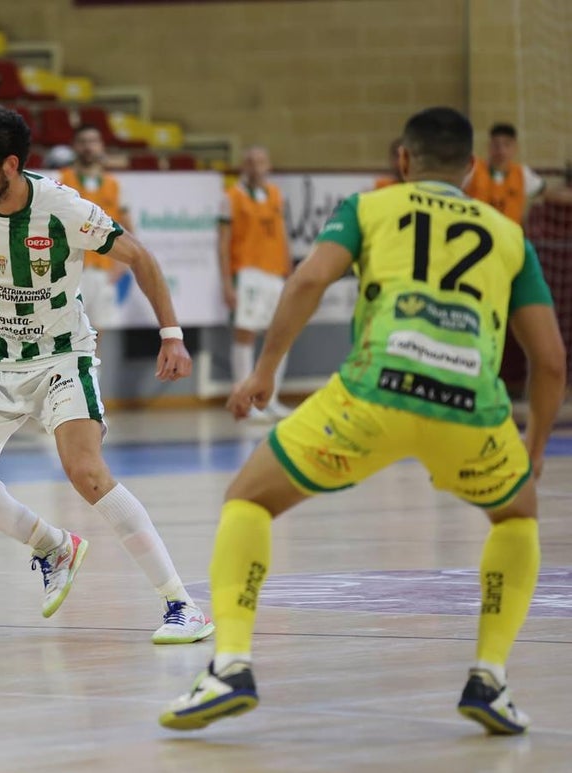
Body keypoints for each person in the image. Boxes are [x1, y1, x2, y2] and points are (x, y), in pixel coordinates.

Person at [159, 106, 566, 735]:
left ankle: (231, 665)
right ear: (473, 169)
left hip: (374, 395)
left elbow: (310, 278)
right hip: (471, 409)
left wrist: (265, 370)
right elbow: (550, 360)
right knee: (516, 517)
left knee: (248, 499)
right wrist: (534, 447)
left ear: (402, 161)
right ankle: (489, 679)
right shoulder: (509, 235)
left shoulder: (372, 207)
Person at [0, 105, 213, 644]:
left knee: (86, 471)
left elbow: (140, 257)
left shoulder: (62, 208)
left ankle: (181, 604)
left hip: (61, 357)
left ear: (10, 164)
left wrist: (172, 334)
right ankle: (51, 544)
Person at [219, 146, 292, 420]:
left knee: (280, 336)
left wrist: (288, 271)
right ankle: (245, 401)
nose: (256, 167)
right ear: (243, 166)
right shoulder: (231, 197)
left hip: (275, 273)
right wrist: (227, 283)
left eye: (260, 162)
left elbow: (283, 236)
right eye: (250, 162)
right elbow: (222, 244)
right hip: (246, 272)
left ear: (269, 166)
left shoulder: (275, 195)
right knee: (245, 334)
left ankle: (270, 399)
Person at [59, 124, 135, 332]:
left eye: (93, 142)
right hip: (72, 266)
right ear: (74, 146)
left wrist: (121, 267)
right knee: (69, 330)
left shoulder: (114, 185)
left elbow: (128, 231)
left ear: (101, 146)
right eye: (83, 142)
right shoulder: (63, 179)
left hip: (103, 268)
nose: (88, 147)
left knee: (97, 331)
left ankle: (95, 366)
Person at [464, 123, 546, 225]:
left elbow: (547, 193)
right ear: (489, 146)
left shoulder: (522, 174)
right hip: (478, 232)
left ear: (515, 148)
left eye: (507, 145)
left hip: (510, 236)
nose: (501, 151)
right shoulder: (473, 169)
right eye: (496, 145)